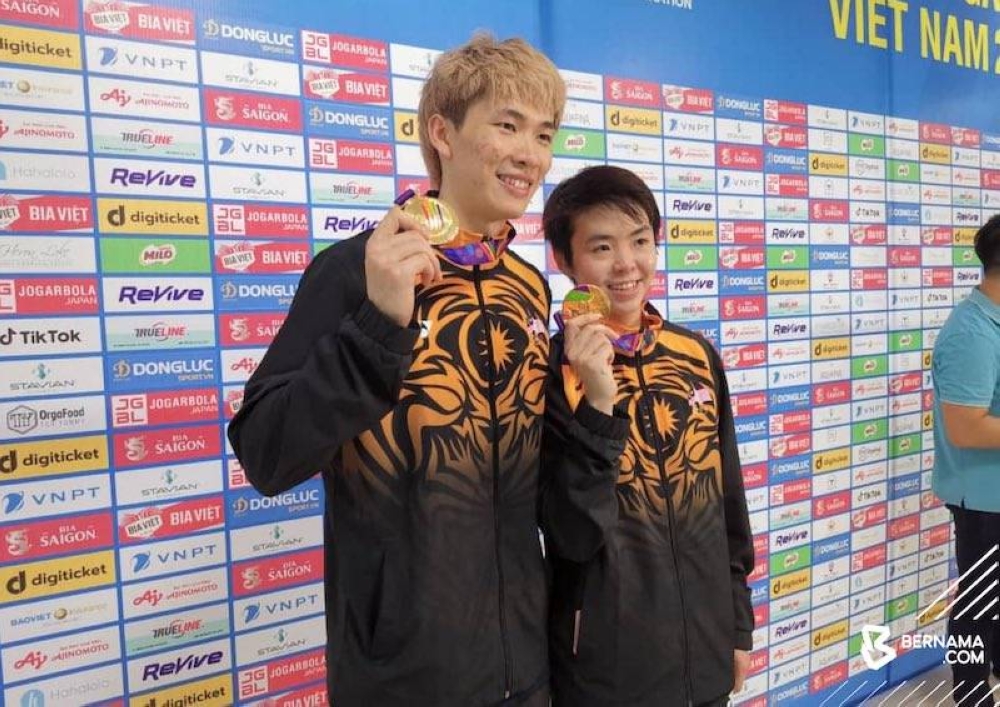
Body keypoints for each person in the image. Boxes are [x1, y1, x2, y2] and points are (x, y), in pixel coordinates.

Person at [228, 34, 566, 706]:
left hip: (525, 669)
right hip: (402, 680)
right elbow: (266, 452)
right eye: (507, 125)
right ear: (442, 132)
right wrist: (379, 324)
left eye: (544, 134)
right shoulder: (356, 268)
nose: (530, 154)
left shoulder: (529, 285)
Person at [540, 165, 755, 707]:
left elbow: (727, 503)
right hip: (606, 673)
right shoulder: (548, 373)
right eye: (602, 247)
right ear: (564, 261)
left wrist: (737, 625)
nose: (626, 264)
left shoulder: (696, 356)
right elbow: (570, 533)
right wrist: (597, 405)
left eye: (639, 241)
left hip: (705, 656)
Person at [931, 213, 1000, 707]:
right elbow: (966, 426)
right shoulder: (972, 331)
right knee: (977, 607)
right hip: (981, 501)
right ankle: (971, 695)